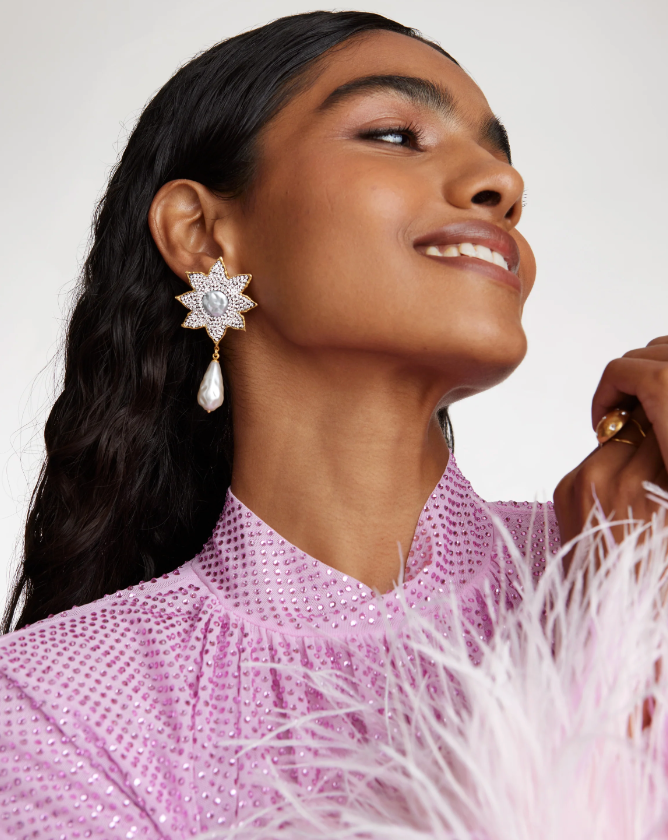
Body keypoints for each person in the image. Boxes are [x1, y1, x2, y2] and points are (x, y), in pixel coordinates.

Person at [1, 10, 667, 839]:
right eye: (394, 134)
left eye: (501, 160)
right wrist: (611, 660)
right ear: (204, 235)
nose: (503, 187)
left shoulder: (625, 543)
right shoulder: (59, 707)